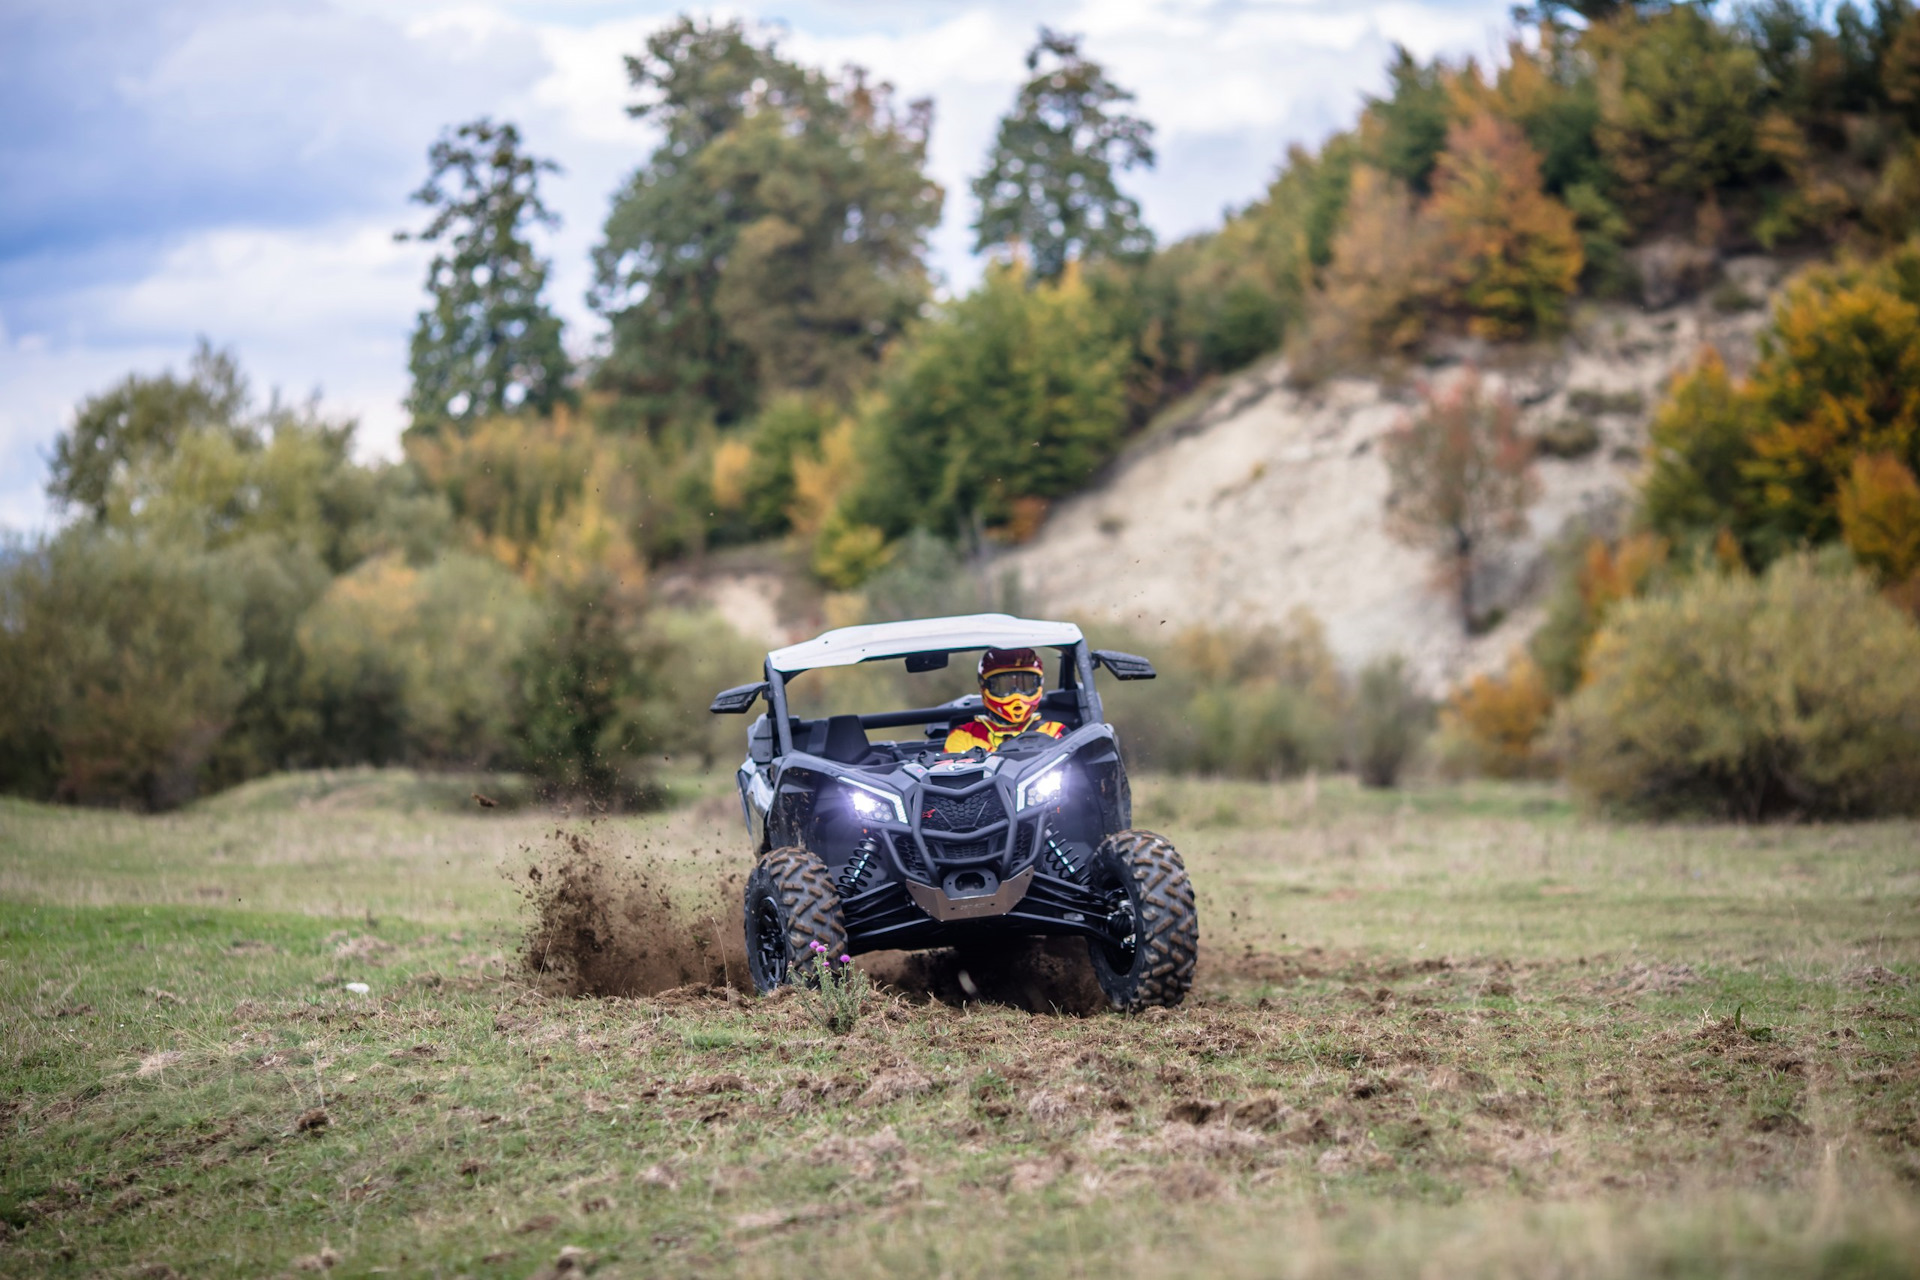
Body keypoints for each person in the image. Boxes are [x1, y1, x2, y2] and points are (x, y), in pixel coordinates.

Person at [943, 647, 1066, 753]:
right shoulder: (964, 736)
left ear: (1039, 684)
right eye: (1005, 687)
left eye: (1025, 685)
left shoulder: (1055, 731)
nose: (1017, 696)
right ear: (984, 687)